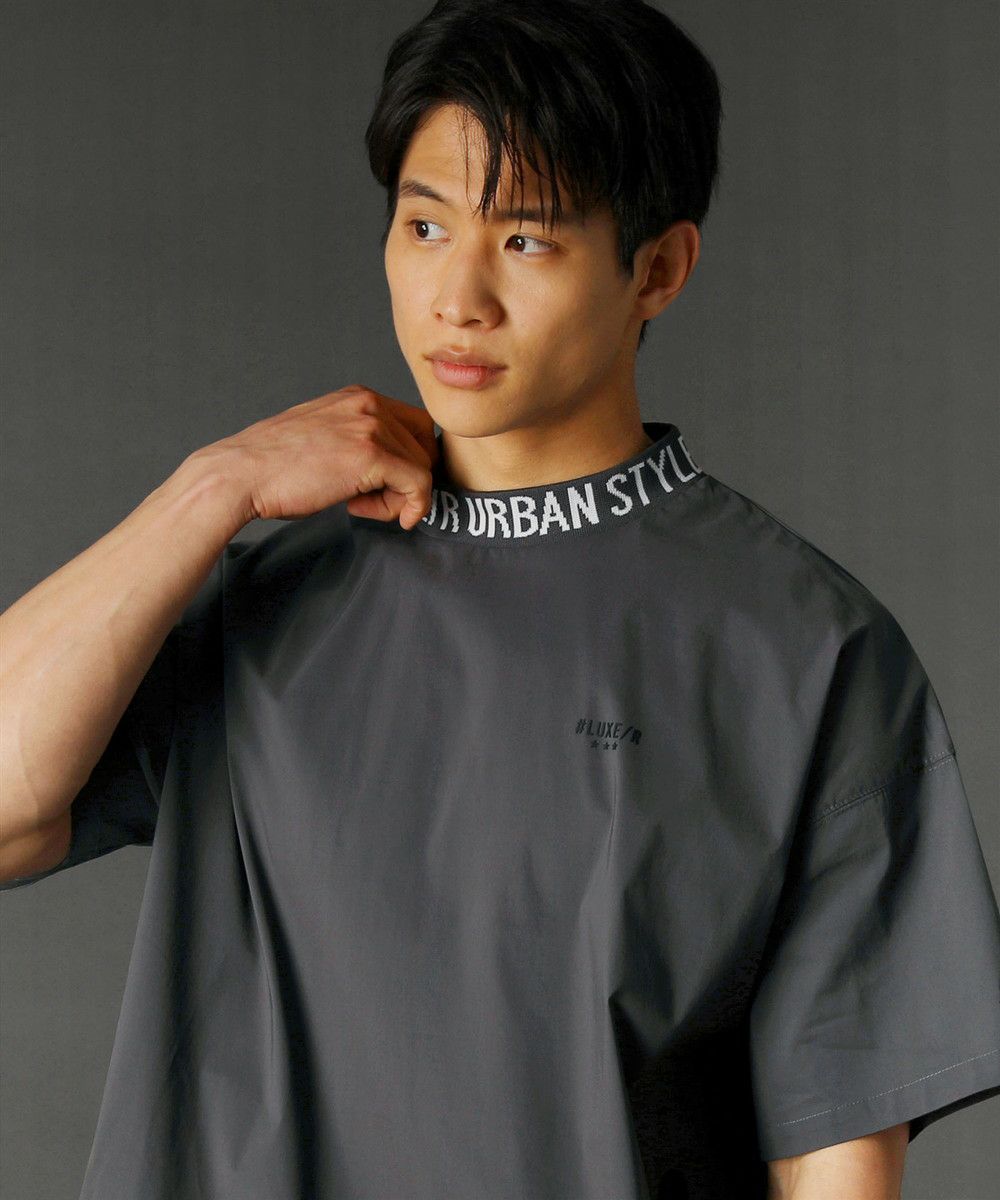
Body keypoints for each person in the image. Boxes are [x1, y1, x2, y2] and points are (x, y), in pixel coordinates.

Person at [1, 1, 998, 1197]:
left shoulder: (803, 650)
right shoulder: (265, 593)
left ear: (658, 269)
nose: (456, 297)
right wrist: (207, 490)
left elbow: (832, 1160)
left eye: (526, 240)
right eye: (424, 225)